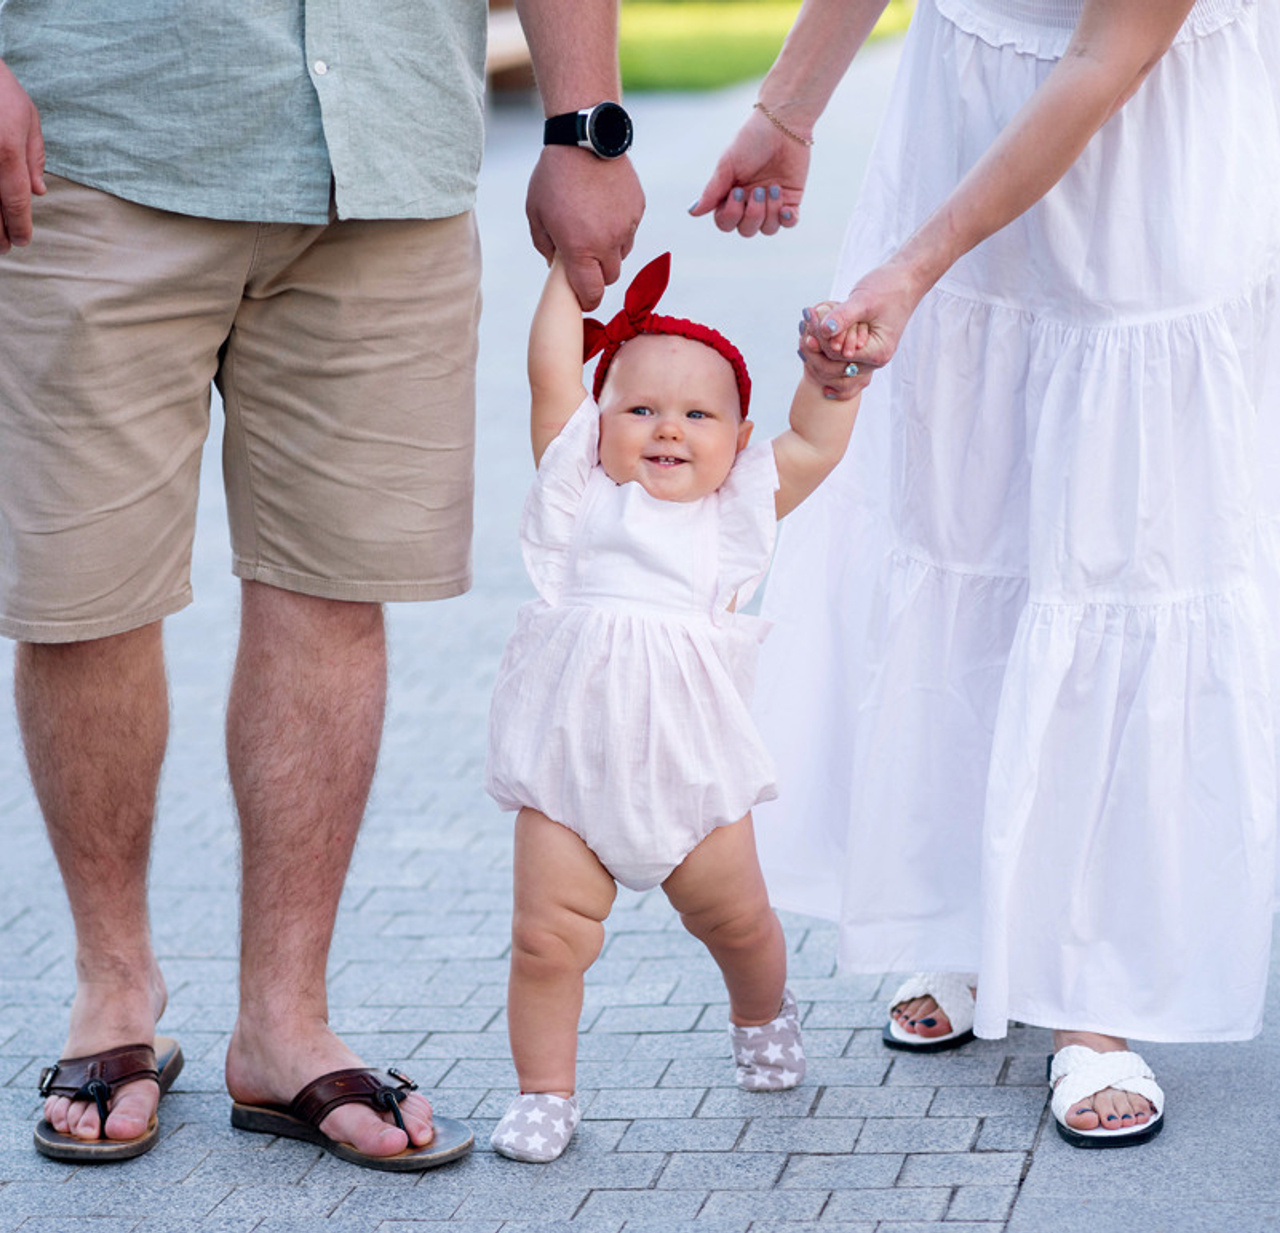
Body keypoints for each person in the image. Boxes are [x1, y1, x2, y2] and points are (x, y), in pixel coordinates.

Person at [0, 0, 644, 1167]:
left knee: (335, 589)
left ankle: (283, 1022)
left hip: (385, 158)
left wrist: (583, 123)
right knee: (84, 596)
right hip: (93, 141)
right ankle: (113, 986)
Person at [694, 0, 1280, 1145]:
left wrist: (913, 263)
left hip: (1134, 142)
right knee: (957, 514)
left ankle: (1090, 986)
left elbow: (1108, 54)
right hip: (965, 92)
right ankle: (964, 911)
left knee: (1117, 546)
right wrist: (786, 108)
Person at [482, 252, 858, 1161]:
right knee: (544, 941)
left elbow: (811, 447)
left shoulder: (730, 521)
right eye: (640, 408)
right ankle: (545, 1093)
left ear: (738, 438)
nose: (669, 430)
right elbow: (548, 377)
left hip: (692, 780)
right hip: (570, 778)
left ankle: (762, 1011)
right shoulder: (579, 501)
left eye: (699, 415)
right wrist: (566, 283)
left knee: (738, 924)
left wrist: (830, 383)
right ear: (600, 425)